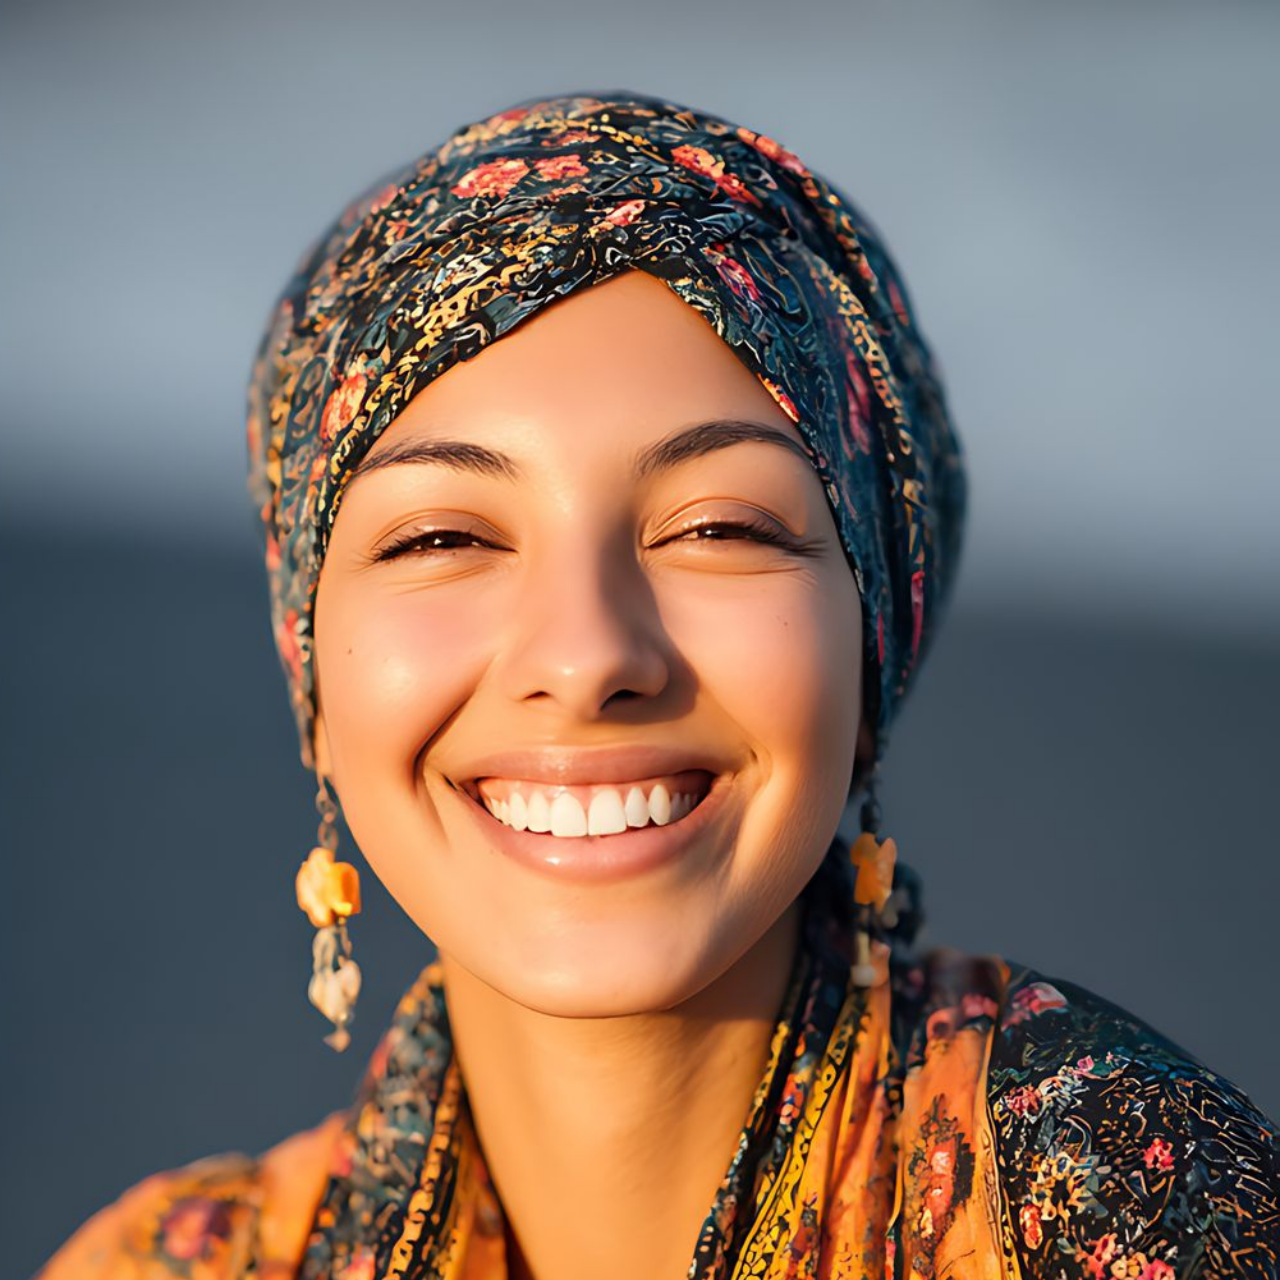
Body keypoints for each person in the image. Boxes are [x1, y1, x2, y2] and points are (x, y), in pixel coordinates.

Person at [35, 90, 1278, 1280]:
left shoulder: (1113, 1209)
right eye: (442, 537)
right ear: (311, 670)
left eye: (718, 527)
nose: (585, 657)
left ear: (869, 641)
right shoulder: (176, 1259)